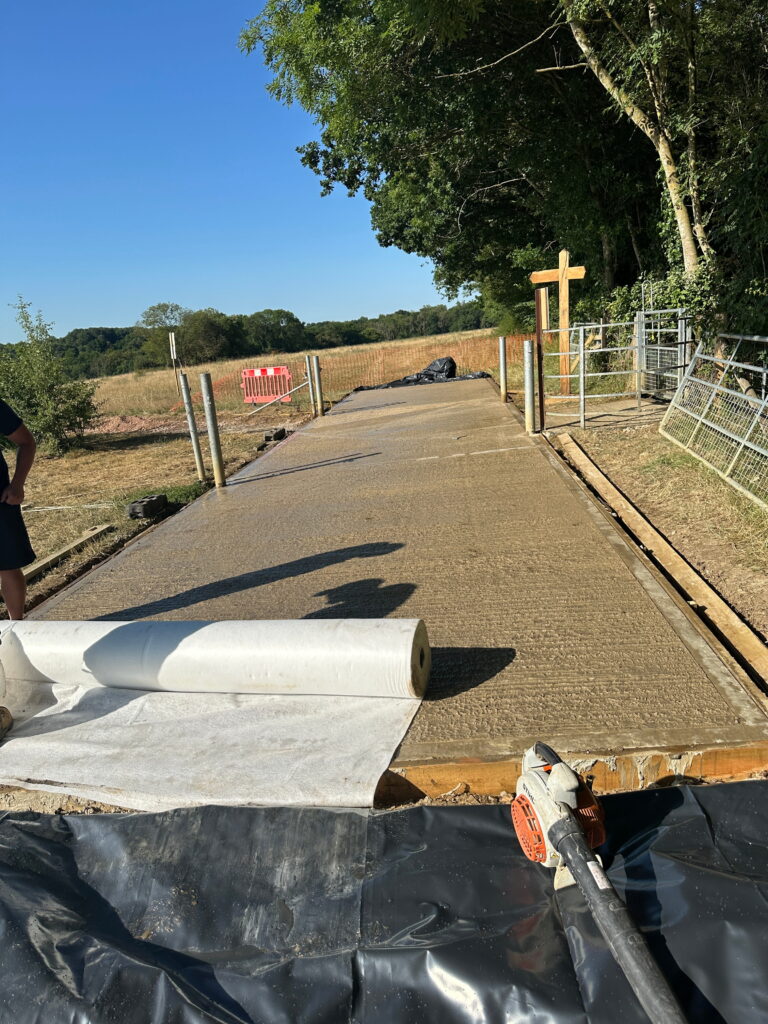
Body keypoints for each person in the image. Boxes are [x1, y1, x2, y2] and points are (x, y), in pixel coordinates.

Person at [0, 399, 36, 740]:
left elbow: (26, 441)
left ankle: (18, 628)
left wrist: (17, 484)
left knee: (7, 566)